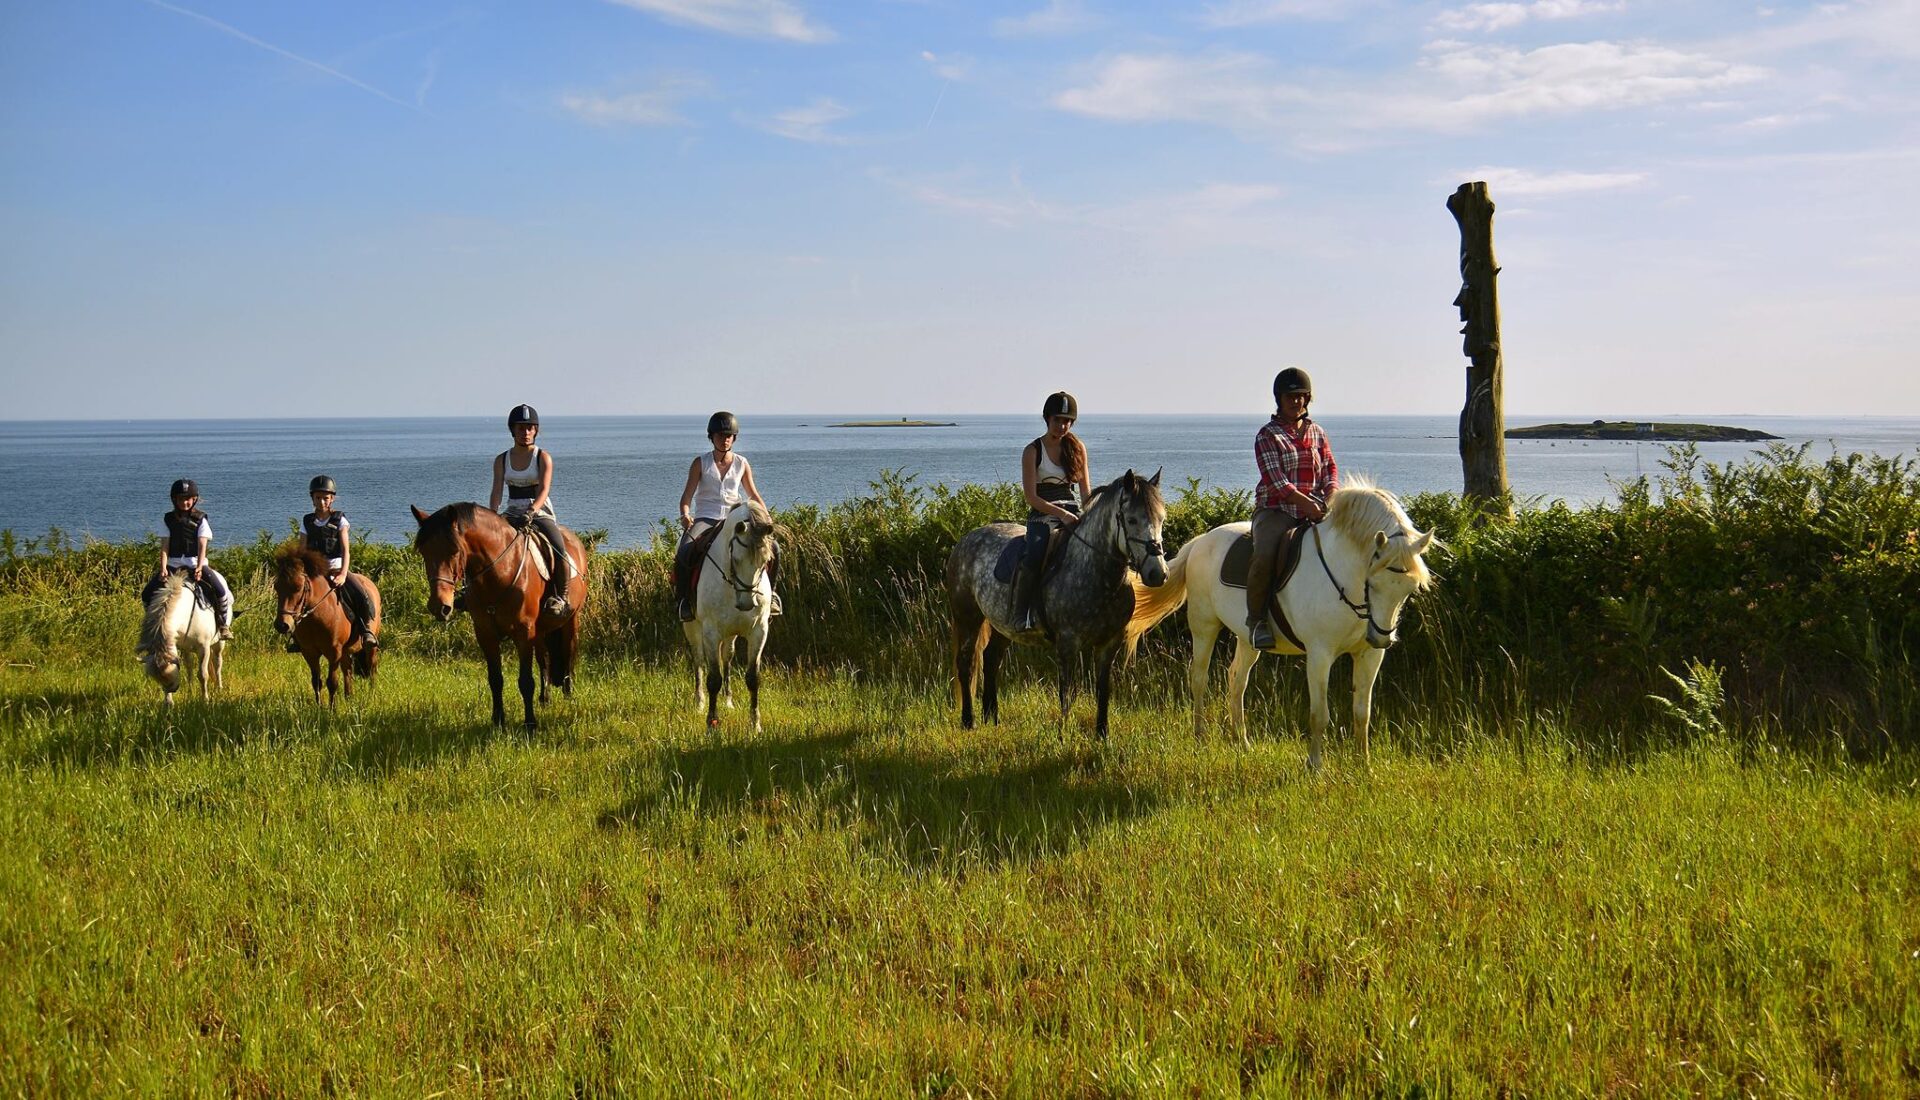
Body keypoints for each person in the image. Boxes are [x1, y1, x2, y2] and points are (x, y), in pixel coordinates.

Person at [1246, 367, 1338, 650]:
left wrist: (1331, 496)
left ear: (1307, 398)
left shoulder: (1318, 432)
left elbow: (1330, 468)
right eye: (1290, 396)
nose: (1296, 401)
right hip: (1277, 510)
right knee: (1265, 554)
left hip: (1316, 509)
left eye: (1300, 396)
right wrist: (1308, 504)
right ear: (1279, 398)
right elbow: (1277, 483)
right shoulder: (1268, 435)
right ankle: (1257, 620)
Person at [675, 411, 779, 620]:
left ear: (734, 438)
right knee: (684, 551)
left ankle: (773, 594)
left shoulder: (742, 463)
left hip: (736, 520)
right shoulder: (700, 463)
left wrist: (766, 518)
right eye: (720, 435)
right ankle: (684, 600)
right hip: (706, 518)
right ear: (711, 437)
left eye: (729, 436)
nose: (725, 439)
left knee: (774, 548)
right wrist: (686, 515)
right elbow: (686, 497)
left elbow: (753, 494)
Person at [1013, 391, 1094, 632]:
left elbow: (1085, 493)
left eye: (1067, 421)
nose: (1063, 425)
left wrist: (1092, 514)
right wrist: (1062, 515)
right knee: (1036, 553)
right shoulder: (1032, 451)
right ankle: (1021, 613)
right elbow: (1031, 497)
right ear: (1047, 419)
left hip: (1072, 510)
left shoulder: (1078, 448)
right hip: (1043, 514)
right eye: (1058, 420)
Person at [488, 404, 573, 618]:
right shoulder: (501, 459)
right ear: (513, 430)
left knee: (559, 547)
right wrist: (492, 514)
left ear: (535, 430)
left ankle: (561, 597)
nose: (525, 432)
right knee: (482, 546)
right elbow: (497, 490)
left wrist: (532, 510)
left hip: (539, 512)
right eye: (520, 428)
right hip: (512, 511)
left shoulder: (543, 457)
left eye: (529, 428)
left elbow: (544, 489)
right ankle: (469, 591)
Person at [142, 477, 233, 641]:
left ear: (194, 499)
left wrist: (199, 567)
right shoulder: (168, 520)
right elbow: (164, 547)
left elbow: (202, 545)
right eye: (181, 499)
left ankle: (223, 624)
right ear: (174, 500)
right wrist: (163, 568)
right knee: (147, 593)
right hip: (173, 565)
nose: (185, 502)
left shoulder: (201, 519)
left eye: (188, 499)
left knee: (220, 590)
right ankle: (152, 627)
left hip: (194, 564)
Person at [296, 475, 379, 650]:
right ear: (312, 498)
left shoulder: (340, 520)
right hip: (314, 573)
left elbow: (346, 550)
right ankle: (297, 636)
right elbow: (301, 551)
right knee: (294, 595)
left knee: (360, 593)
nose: (321, 502)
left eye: (325, 498)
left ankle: (366, 631)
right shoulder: (307, 521)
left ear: (332, 499)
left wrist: (342, 574)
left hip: (336, 569)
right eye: (318, 497)